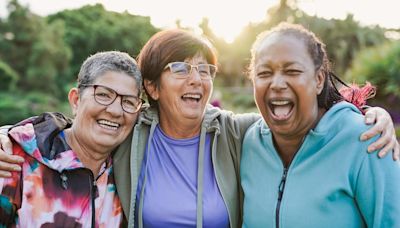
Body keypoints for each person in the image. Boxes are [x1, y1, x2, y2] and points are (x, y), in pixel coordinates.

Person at [0, 29, 398, 228]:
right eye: (179, 68)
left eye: (204, 69)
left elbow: (294, 116)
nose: (196, 79)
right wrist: (11, 137)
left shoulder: (238, 133)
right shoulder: (130, 133)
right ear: (151, 88)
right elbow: (88, 123)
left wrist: (361, 111)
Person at [240, 23, 400, 227]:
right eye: (264, 73)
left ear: (318, 80)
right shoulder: (249, 142)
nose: (277, 83)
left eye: (292, 71)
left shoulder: (366, 140)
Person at [0, 51, 143, 227]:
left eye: (128, 102)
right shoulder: (15, 160)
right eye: (103, 95)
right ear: (76, 100)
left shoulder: (129, 173)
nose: (115, 111)